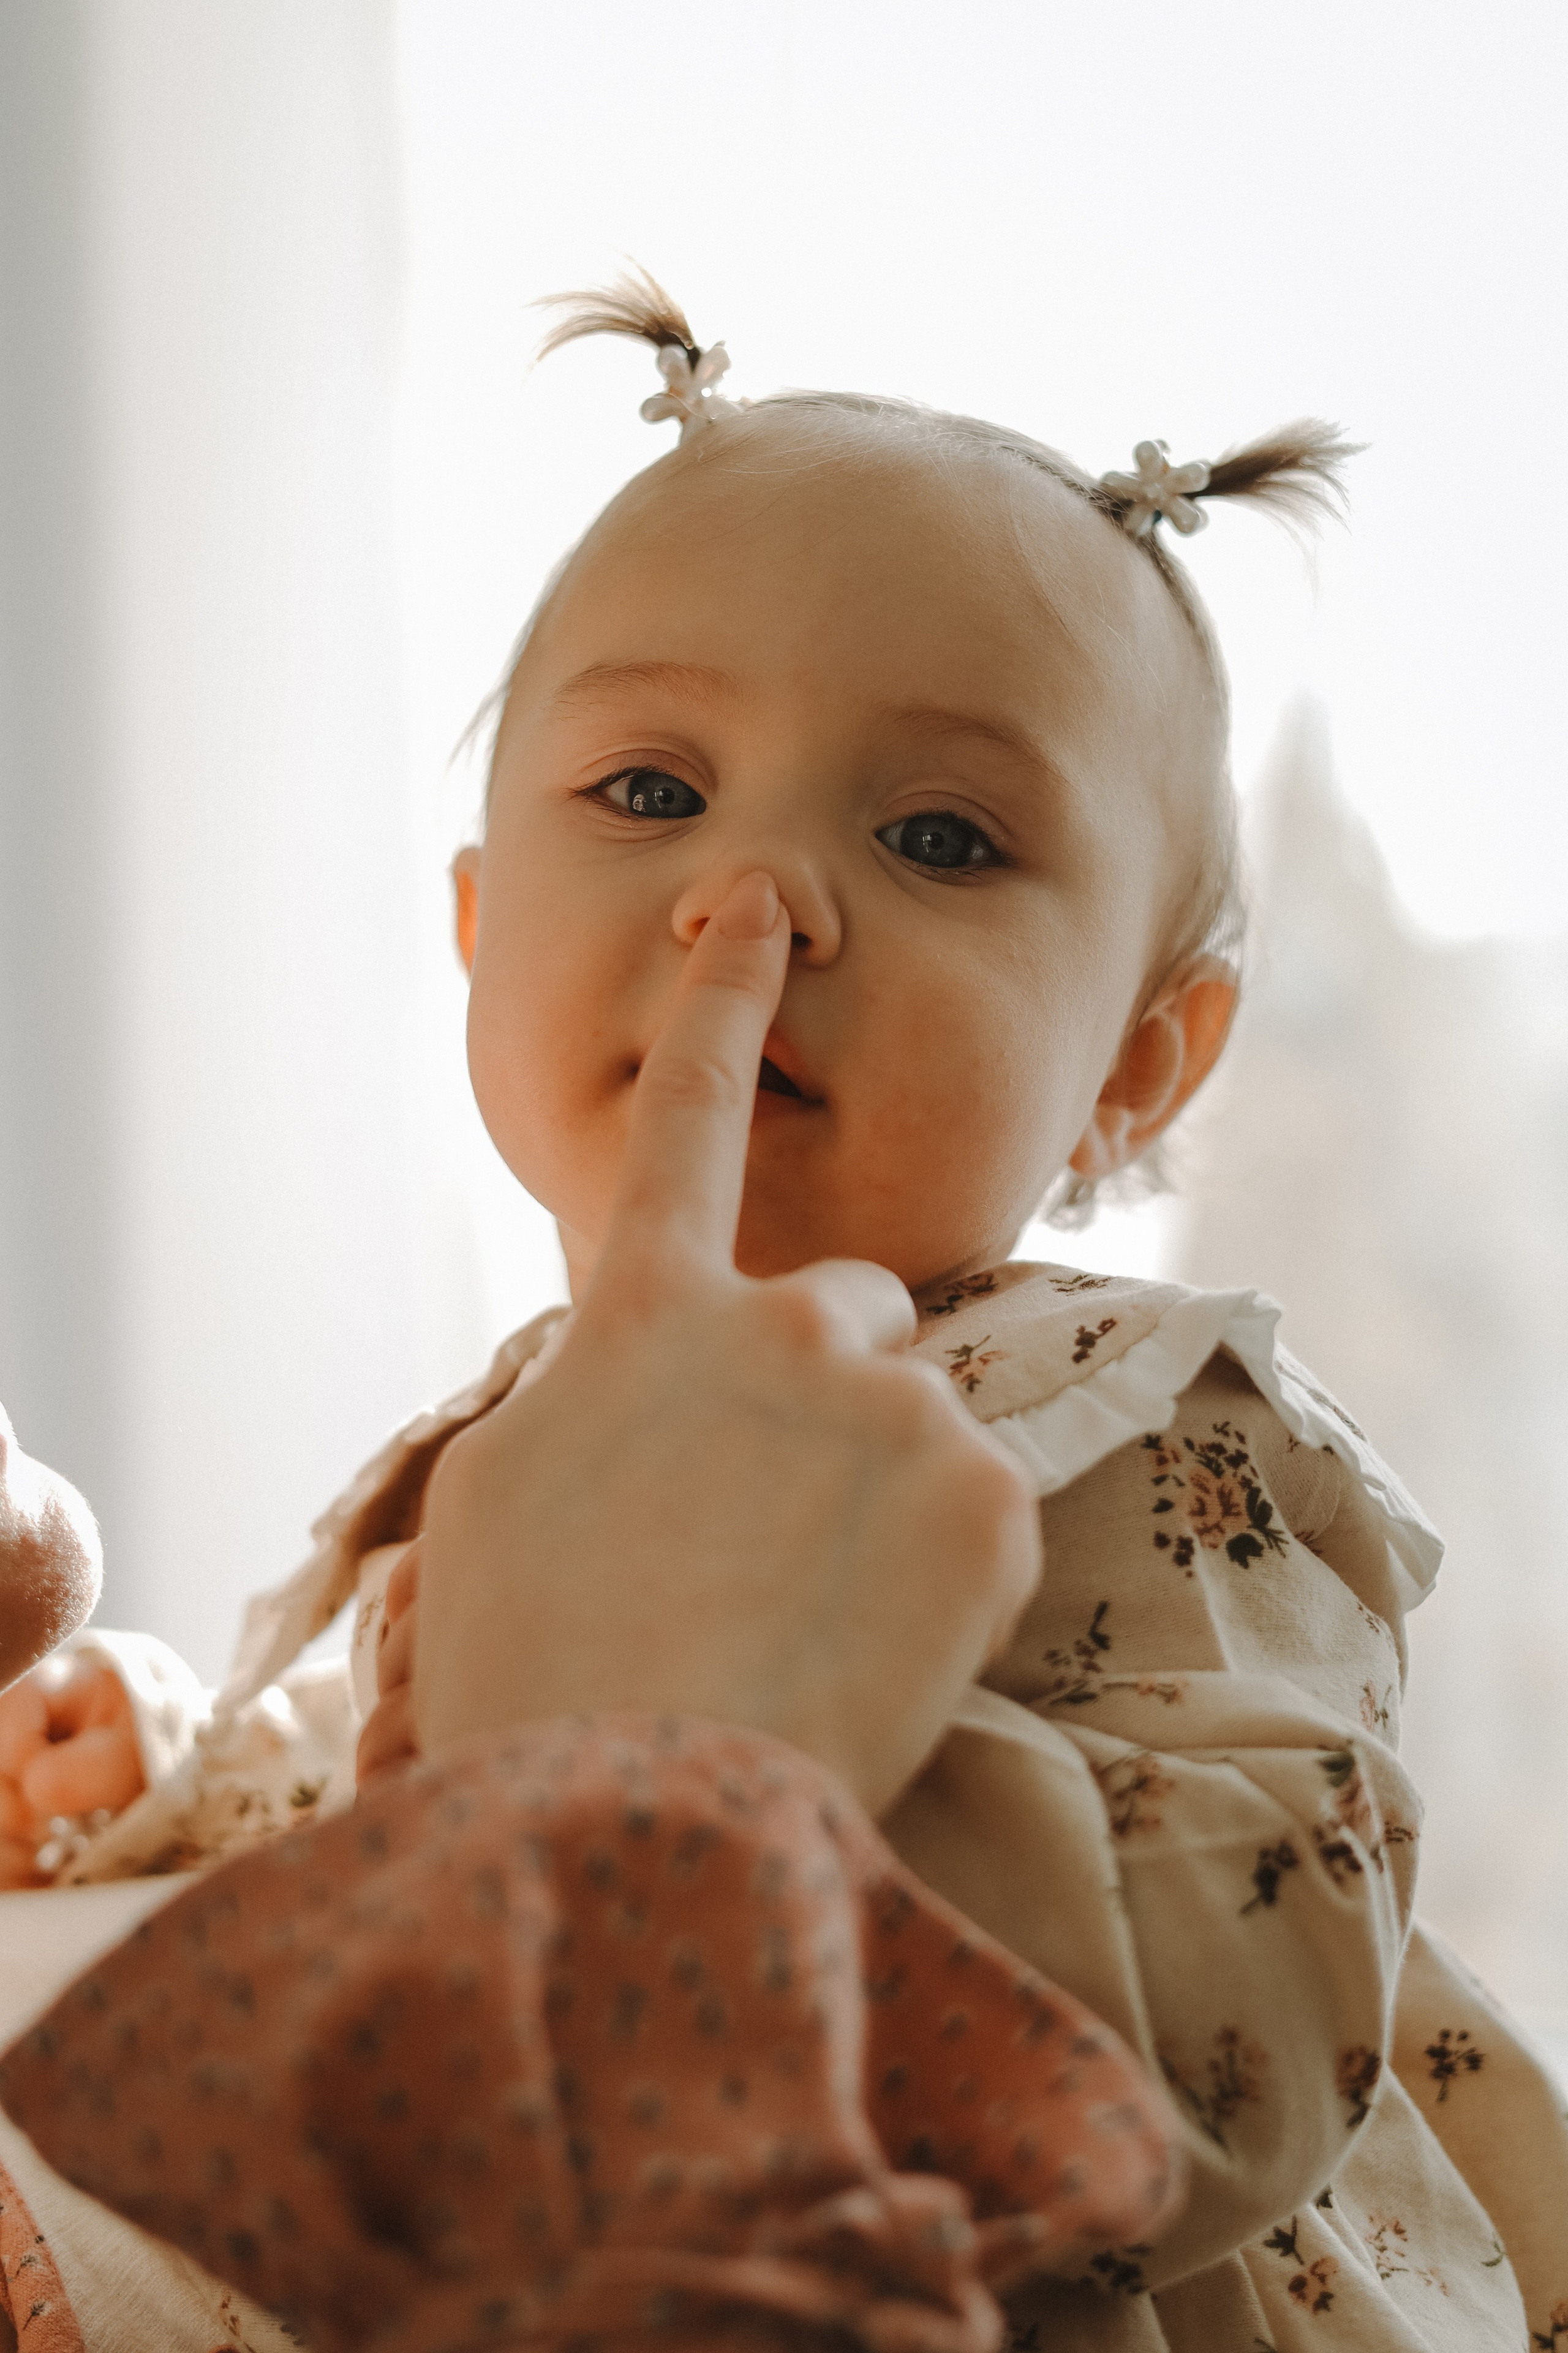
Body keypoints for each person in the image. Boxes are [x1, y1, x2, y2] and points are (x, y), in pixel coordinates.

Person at [2, 268, 1564, 2345]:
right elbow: (419, 1774)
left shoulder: (1144, 1417)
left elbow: (1250, 2011)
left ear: (1138, 1065)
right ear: (474, 928)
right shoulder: (542, 1424)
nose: (754, 901)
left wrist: (745, 1770)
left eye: (938, 835)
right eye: (652, 792)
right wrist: (174, 1768)